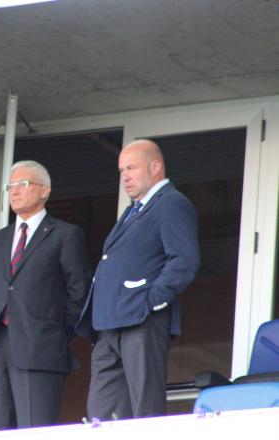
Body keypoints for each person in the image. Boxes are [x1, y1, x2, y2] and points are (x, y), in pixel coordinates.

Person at [0, 160, 91, 431]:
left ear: (45, 191)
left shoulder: (65, 235)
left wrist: (57, 334)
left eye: (24, 184)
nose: (15, 191)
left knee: (34, 428)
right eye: (11, 186)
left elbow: (78, 292)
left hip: (40, 346)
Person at [76, 139, 200, 421]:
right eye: (121, 170)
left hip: (140, 319)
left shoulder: (171, 203)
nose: (125, 177)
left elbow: (184, 260)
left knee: (144, 408)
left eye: (131, 168)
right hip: (109, 323)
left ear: (155, 167)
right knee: (102, 414)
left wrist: (151, 302)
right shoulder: (135, 209)